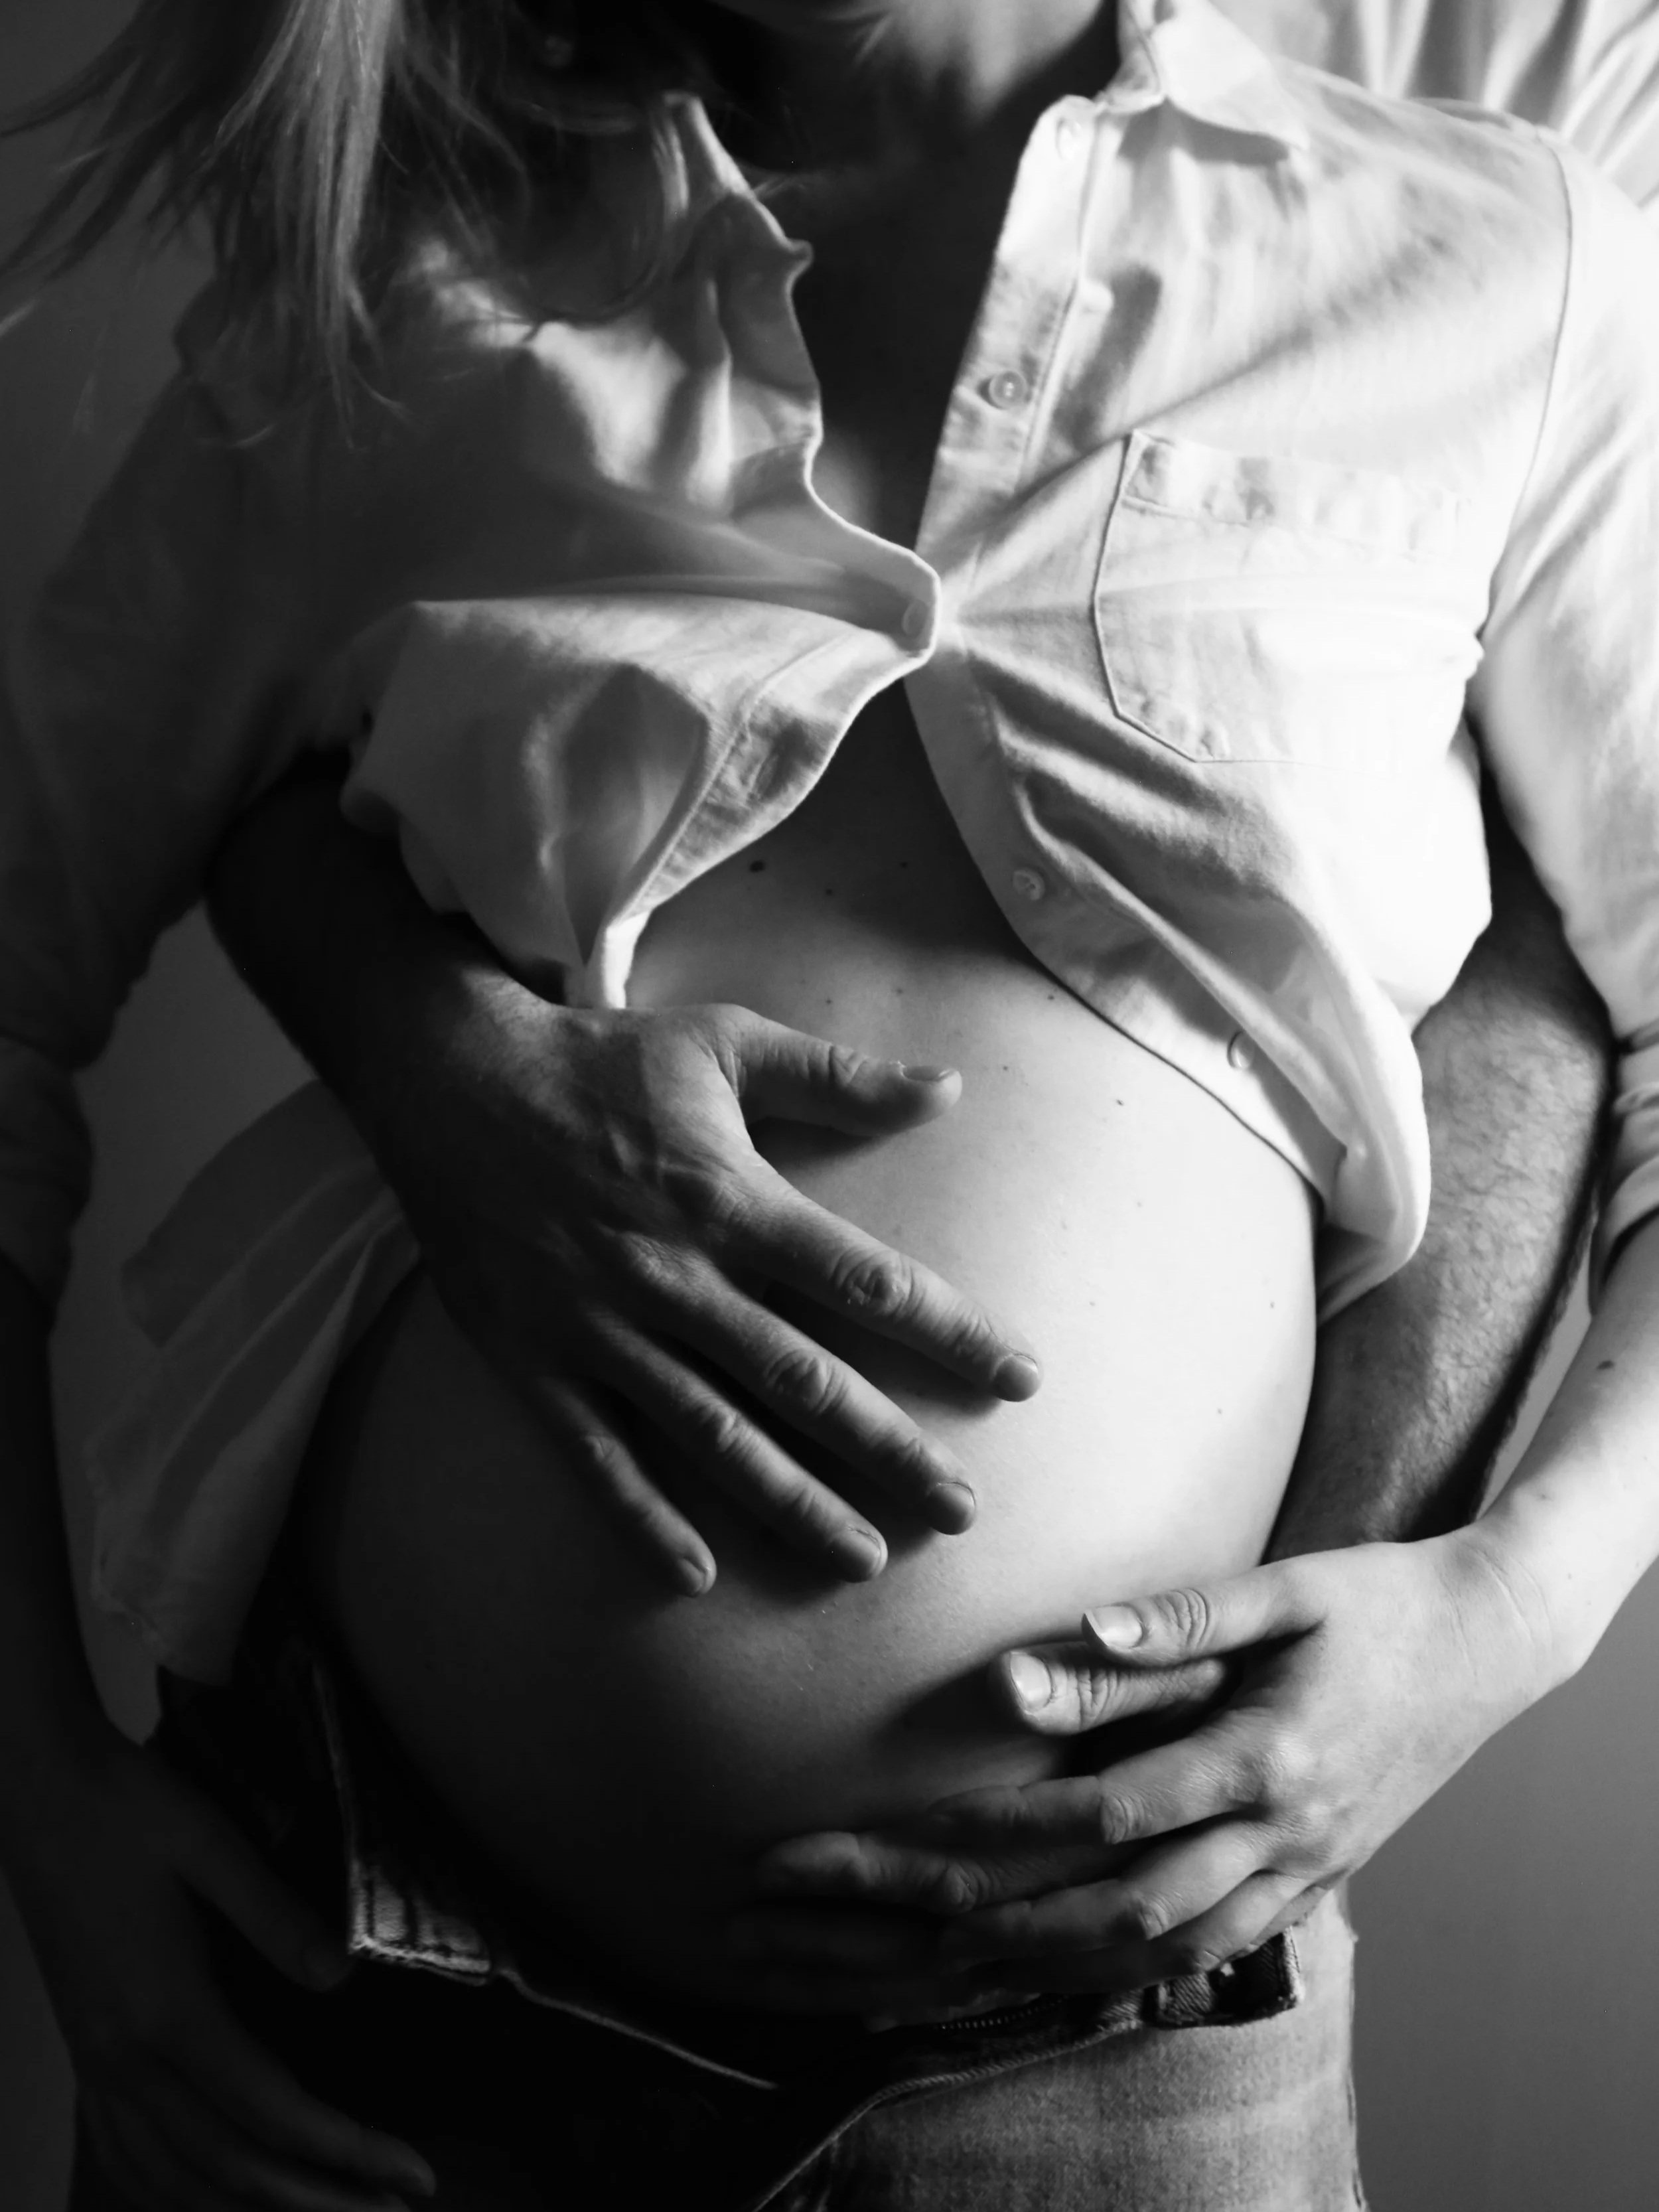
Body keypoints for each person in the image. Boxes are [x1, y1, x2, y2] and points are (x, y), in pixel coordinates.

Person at [2, 0, 1658, 2205]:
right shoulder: (396, 282)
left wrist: (1501, 1617)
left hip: (1107, 2066)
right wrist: (46, 1820)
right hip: (354, 2002)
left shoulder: (1496, 256)